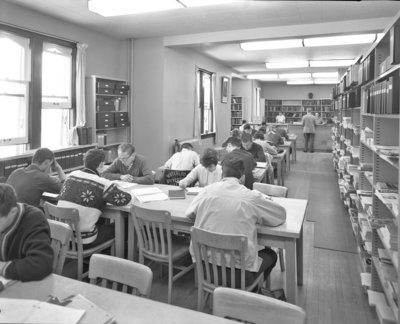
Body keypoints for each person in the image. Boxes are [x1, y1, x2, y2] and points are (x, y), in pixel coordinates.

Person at [185, 155, 286, 287]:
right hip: (240, 276)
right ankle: (251, 292)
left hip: (205, 269)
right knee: (271, 255)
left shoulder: (206, 191)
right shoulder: (251, 197)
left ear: (222, 174)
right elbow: (280, 216)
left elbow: (189, 214)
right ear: (242, 175)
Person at [58, 149, 132, 245]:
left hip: (62, 236)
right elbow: (126, 199)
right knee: (123, 226)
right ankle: (113, 258)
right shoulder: (103, 184)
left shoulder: (71, 175)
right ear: (101, 165)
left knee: (100, 220)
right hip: (83, 240)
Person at [0, 183, 53, 281]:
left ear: (13, 212)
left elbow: (41, 264)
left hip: (25, 287)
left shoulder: (34, 219)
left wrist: (3, 267)